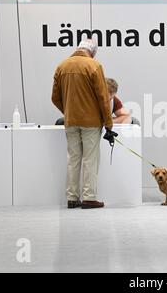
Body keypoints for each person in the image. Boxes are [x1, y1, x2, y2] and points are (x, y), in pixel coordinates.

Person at [52, 39, 117, 209]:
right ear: (93, 52)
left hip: (71, 121)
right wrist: (108, 123)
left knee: (73, 158)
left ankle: (72, 198)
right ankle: (89, 197)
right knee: (90, 159)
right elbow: (103, 99)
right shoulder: (94, 66)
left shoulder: (62, 66)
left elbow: (55, 97)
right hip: (91, 122)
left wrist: (68, 112)